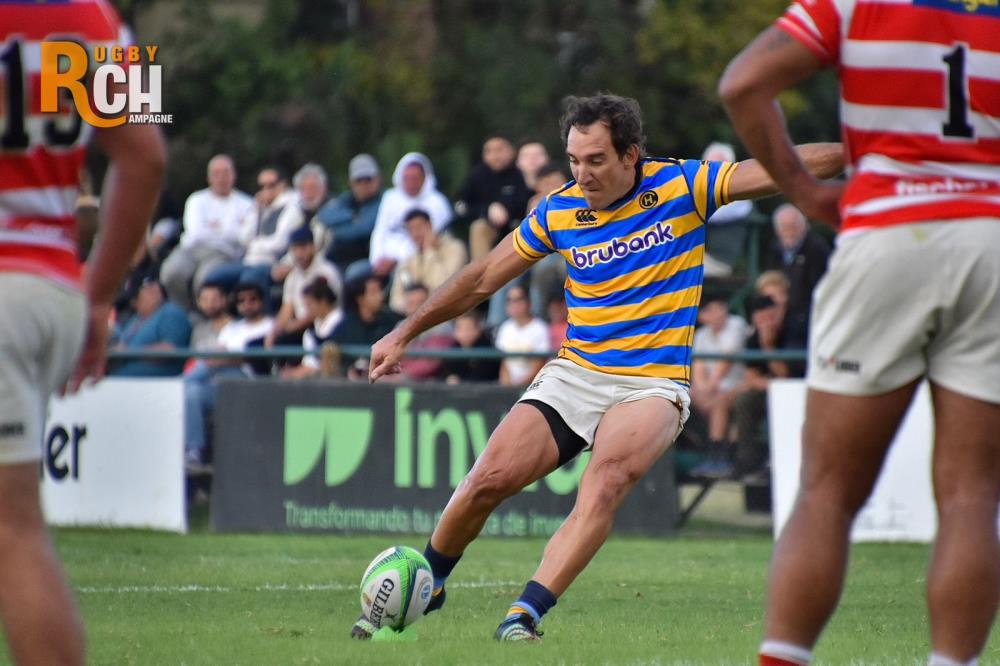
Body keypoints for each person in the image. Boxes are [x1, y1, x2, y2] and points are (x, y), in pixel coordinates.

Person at [355, 93, 843, 641]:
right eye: (573, 160)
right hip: (576, 373)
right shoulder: (558, 210)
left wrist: (860, 150)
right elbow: (482, 277)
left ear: (631, 154)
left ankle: (522, 616)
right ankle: (427, 583)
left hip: (652, 384)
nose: (581, 173)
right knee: (485, 480)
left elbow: (781, 167)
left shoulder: (683, 185)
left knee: (604, 482)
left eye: (595, 160)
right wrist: (402, 332)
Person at [719, 3, 1000, 664]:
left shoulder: (855, 4)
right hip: (991, 241)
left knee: (826, 491)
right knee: (972, 496)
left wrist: (802, 191)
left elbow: (742, 84)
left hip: (887, 233)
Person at [0, 2, 166, 663]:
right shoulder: (98, 16)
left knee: (11, 534)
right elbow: (147, 157)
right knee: (17, 529)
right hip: (54, 285)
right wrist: (98, 298)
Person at [183, 282, 273, 471]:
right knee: (192, 391)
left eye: (253, 299)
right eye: (242, 301)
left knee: (207, 365)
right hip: (222, 383)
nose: (247, 304)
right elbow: (215, 358)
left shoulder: (270, 326)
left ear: (262, 302)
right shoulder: (232, 328)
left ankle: (177, 384)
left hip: (251, 384)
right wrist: (220, 359)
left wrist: (225, 359)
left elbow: (252, 360)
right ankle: (194, 451)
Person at [160, 155, 254, 310]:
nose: (222, 178)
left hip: (223, 253)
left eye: (226, 172)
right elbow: (196, 232)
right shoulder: (196, 199)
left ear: (233, 175)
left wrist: (214, 228)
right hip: (190, 249)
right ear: (209, 177)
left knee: (204, 280)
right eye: (217, 173)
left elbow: (244, 237)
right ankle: (183, 311)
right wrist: (228, 230)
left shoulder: (247, 204)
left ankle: (203, 315)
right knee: (170, 273)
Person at [688, 296, 750, 477]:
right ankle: (706, 448)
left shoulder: (736, 324)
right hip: (712, 390)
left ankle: (718, 457)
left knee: (718, 402)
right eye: (712, 310)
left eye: (721, 308)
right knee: (685, 397)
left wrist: (709, 389)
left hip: (738, 385)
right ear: (702, 316)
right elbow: (698, 367)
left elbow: (726, 361)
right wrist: (701, 390)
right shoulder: (701, 335)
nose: (719, 314)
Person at [368, 152, 452, 277]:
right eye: (406, 177)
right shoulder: (390, 198)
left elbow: (427, 240)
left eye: (415, 178)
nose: (411, 182)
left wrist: (396, 261)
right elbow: (380, 231)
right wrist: (376, 260)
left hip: (417, 262)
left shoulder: (438, 203)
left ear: (425, 178)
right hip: (382, 261)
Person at [457, 135, 533, 261]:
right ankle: (481, 270)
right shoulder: (477, 176)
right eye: (489, 151)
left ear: (512, 151)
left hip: (520, 227)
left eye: (499, 150)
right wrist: (487, 210)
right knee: (479, 227)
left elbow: (529, 200)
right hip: (491, 229)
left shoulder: (521, 172)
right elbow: (462, 207)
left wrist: (507, 210)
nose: (495, 156)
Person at [765, 204, 830, 350]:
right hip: (780, 318)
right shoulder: (774, 251)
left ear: (804, 227)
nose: (789, 232)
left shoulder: (817, 249)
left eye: (793, 226)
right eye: (784, 227)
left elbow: (819, 287)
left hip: (808, 321)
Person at [266, 226, 342, 348]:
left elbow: (322, 308)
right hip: (299, 327)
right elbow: (287, 308)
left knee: (283, 342)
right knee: (257, 344)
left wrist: (292, 327)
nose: (299, 253)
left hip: (324, 325)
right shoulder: (293, 276)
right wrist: (274, 331)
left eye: (303, 247)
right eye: (295, 248)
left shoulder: (327, 271)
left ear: (313, 246)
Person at [388, 209, 468, 314]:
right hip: (414, 317)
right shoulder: (408, 261)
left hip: (449, 312)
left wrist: (430, 252)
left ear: (430, 225)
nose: (415, 234)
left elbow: (445, 287)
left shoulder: (455, 248)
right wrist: (411, 303)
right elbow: (395, 301)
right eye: (411, 229)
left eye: (419, 227)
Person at [314, 153, 384, 271]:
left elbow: (363, 228)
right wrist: (352, 216)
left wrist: (334, 230)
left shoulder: (385, 200)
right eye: (358, 180)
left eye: (368, 179)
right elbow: (324, 215)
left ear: (378, 179)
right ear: (351, 183)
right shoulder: (348, 199)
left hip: (367, 260)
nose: (363, 184)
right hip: (335, 259)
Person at [109, 278, 192, 377]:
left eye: (137, 297)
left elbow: (170, 350)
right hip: (120, 378)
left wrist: (129, 351)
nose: (133, 303)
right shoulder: (136, 319)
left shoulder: (170, 313)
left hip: (157, 382)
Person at [279, 277, 343, 380]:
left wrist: (297, 373)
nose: (307, 310)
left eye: (309, 304)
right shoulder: (312, 329)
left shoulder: (340, 321)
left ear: (323, 302)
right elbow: (309, 363)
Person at [495, 284, 549, 387]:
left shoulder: (540, 328)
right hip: (508, 387)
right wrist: (507, 386)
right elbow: (504, 364)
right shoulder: (505, 327)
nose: (513, 304)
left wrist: (518, 387)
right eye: (509, 300)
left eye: (518, 299)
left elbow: (539, 365)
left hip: (533, 387)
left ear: (528, 302)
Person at [443, 312, 500, 384]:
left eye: (468, 328)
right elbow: (447, 373)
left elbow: (484, 376)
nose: (464, 333)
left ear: (478, 329)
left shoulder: (487, 348)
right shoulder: (452, 349)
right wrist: (450, 377)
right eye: (459, 328)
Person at [189, 283, 233, 350]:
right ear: (198, 302)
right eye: (205, 300)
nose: (209, 304)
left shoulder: (237, 327)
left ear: (224, 300)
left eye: (214, 299)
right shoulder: (199, 330)